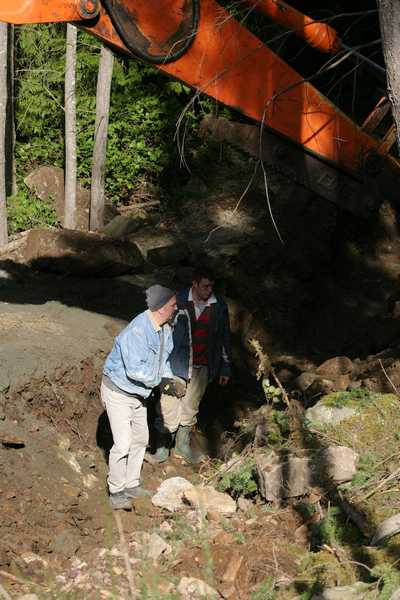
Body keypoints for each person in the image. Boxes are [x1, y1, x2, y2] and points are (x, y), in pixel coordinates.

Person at [101, 284, 178, 510]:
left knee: (141, 439)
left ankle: (131, 484)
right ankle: (116, 490)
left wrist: (169, 379)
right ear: (161, 308)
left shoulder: (164, 329)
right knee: (123, 443)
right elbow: (135, 370)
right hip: (119, 392)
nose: (176, 309)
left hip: (138, 394)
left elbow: (163, 360)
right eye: (173, 305)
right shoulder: (137, 331)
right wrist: (159, 381)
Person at [147, 268, 231, 464]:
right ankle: (162, 448)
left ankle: (182, 447)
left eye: (212, 286)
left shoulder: (218, 306)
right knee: (168, 406)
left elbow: (223, 337)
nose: (209, 290)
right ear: (194, 283)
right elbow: (160, 331)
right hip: (175, 364)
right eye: (205, 286)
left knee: (190, 407)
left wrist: (225, 367)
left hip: (202, 366)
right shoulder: (177, 301)